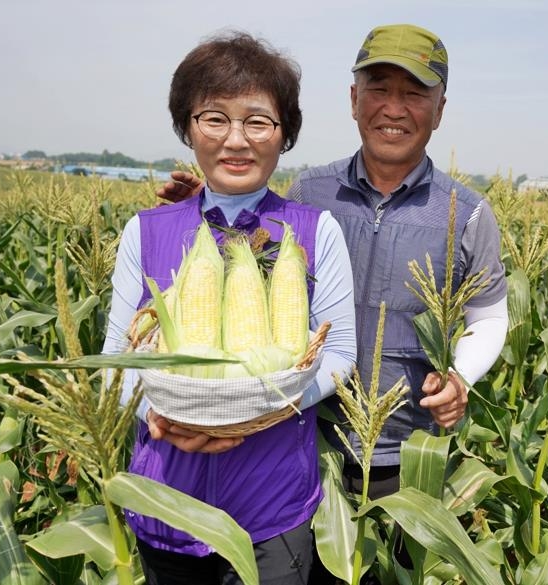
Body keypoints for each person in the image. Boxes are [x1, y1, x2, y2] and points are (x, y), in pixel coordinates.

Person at [158, 21, 507, 504]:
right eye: (378, 89)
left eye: (415, 94)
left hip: (410, 454)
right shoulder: (308, 193)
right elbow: (253, 273)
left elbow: (488, 315)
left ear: (440, 109)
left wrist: (461, 374)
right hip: (306, 443)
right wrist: (211, 211)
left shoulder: (465, 213)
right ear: (353, 99)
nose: (394, 108)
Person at [103, 31, 357, 585]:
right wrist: (161, 419)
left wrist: (264, 404)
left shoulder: (316, 232)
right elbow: (115, 363)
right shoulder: (146, 231)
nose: (235, 140)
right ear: (187, 127)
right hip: (166, 503)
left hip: (272, 512)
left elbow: (339, 354)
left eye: (258, 121)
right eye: (214, 118)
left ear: (283, 134)